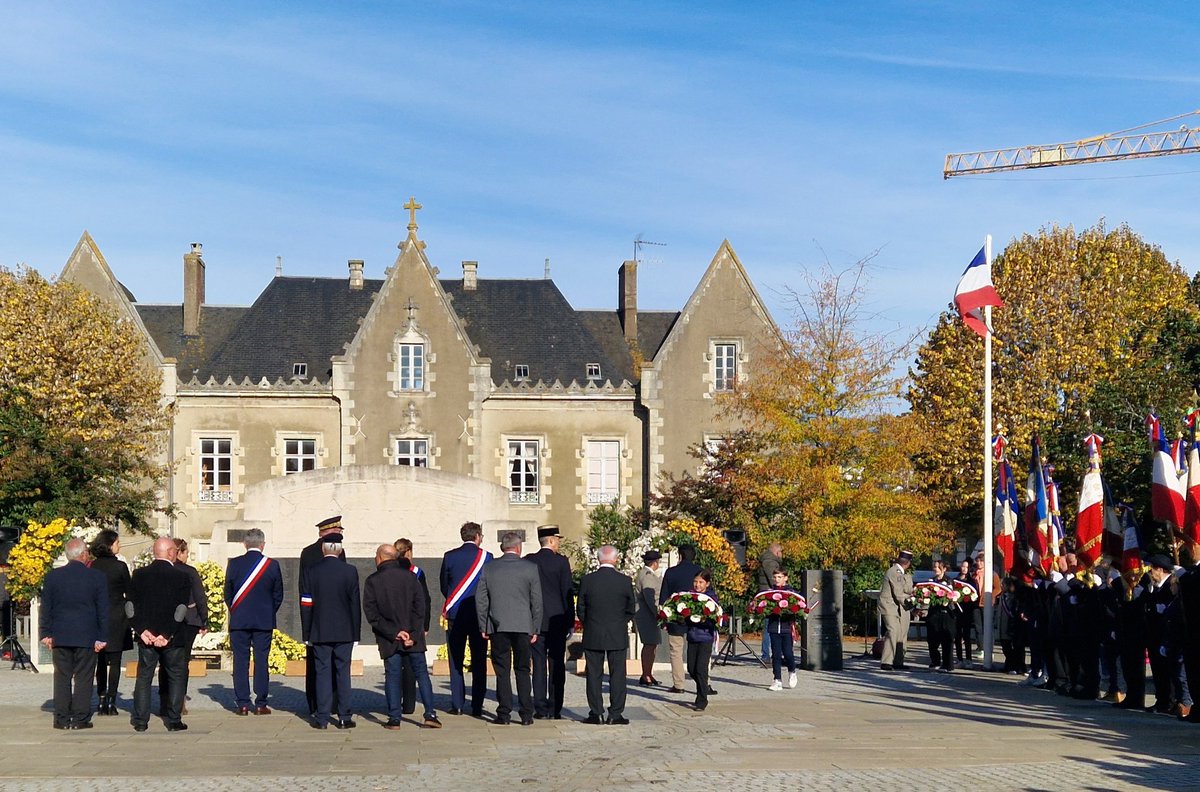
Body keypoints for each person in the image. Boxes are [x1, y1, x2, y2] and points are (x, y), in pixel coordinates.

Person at [363, 543, 442, 730]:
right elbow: (420, 608)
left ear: (381, 557)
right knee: (422, 674)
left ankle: (394, 718)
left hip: (390, 638)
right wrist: (413, 634)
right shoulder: (411, 577)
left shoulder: (373, 581)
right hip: (413, 638)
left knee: (393, 675)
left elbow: (371, 613)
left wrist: (394, 632)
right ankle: (430, 714)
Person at [39, 538, 108, 730]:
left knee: (62, 676)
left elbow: (46, 607)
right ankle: (80, 718)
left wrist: (45, 632)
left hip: (60, 635)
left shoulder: (53, 577)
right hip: (86, 634)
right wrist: (102, 637)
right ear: (83, 554)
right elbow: (103, 610)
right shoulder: (96, 577)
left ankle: (61, 719)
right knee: (84, 677)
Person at [476, 530, 542, 726]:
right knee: (523, 670)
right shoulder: (530, 568)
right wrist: (535, 628)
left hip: (498, 625)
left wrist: (483, 625)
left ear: (502, 548)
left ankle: (504, 714)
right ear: (519, 548)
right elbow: (536, 601)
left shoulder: (489, 568)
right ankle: (526, 714)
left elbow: (481, 600)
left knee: (502, 671)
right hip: (523, 625)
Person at [128, 536, 192, 732]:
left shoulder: (138, 575)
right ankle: (173, 720)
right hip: (172, 637)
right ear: (171, 553)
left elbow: (130, 607)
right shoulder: (181, 576)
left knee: (144, 676)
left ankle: (140, 721)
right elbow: (181, 609)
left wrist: (142, 630)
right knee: (175, 675)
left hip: (146, 636)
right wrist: (167, 634)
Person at [300, 531, 361, 729]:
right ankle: (344, 716)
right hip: (344, 632)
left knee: (322, 673)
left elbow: (306, 603)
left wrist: (307, 632)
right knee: (343, 674)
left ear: (323, 548)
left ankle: (322, 717)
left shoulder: (312, 571)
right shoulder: (350, 571)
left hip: (319, 631)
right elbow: (354, 605)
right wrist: (356, 633)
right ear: (340, 549)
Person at [224, 527, 284, 716]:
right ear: (263, 545)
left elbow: (228, 594)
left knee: (240, 662)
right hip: (263, 621)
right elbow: (278, 595)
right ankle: (260, 703)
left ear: (245, 544)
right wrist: (267, 611)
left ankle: (242, 703)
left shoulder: (234, 564)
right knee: (261, 661)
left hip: (239, 621)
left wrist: (237, 611)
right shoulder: (271, 565)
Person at [577, 544, 636, 724]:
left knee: (593, 675)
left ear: (598, 558)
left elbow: (580, 608)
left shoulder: (588, 580)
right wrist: (620, 622)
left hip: (593, 632)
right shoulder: (624, 581)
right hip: (617, 633)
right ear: (616, 559)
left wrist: (590, 623)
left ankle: (596, 713)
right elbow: (631, 609)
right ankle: (615, 714)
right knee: (617, 675)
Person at [440, 521, 493, 717]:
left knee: (456, 660)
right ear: (478, 536)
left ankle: (458, 704)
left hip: (456, 615)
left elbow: (444, 586)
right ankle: (477, 705)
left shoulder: (450, 556)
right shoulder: (487, 557)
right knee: (479, 660)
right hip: (480, 616)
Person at [525, 524, 574, 719]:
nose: (559, 543)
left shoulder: (529, 561)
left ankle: (540, 707)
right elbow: (566, 593)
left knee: (538, 664)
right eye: (558, 540)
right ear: (551, 540)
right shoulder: (561, 562)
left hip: (535, 621)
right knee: (556, 664)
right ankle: (555, 707)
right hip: (557, 621)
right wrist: (570, 620)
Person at [300, 515, 346, 717]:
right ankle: (334, 704)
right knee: (336, 666)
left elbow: (304, 592)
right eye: (338, 531)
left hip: (315, 619)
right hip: (337, 618)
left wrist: (306, 626)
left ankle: (316, 705)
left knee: (316, 666)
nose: (341, 534)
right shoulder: (335, 551)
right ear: (328, 532)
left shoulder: (307, 553)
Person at [160, 538, 207, 717]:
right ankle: (178, 703)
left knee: (165, 661)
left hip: (165, 620)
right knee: (182, 662)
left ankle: (164, 701)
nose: (188, 556)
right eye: (186, 552)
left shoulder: (164, 570)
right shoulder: (189, 572)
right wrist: (204, 620)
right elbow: (199, 596)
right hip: (188, 621)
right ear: (179, 552)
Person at [88, 529, 132, 716]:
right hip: (116, 616)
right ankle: (112, 701)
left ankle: (101, 698)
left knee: (100, 660)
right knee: (115, 662)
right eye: (117, 542)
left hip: (97, 615)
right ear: (109, 544)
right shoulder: (120, 567)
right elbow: (130, 592)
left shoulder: (92, 566)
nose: (119, 545)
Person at [393, 537, 430, 717]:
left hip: (394, 625)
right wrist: (425, 625)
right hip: (414, 623)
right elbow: (425, 600)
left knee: (394, 666)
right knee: (412, 666)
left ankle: (394, 705)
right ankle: (409, 704)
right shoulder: (416, 572)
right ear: (409, 552)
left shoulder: (388, 571)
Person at [660, 544, 702, 693]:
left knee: (676, 651)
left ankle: (679, 685)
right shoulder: (699, 572)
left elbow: (663, 597)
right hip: (697, 617)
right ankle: (703, 683)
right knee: (699, 651)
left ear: (680, 555)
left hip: (676, 617)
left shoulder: (671, 572)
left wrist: (664, 618)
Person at [1143, 555, 1178, 713]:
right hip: (1154, 636)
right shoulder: (1155, 587)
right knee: (1158, 670)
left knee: (1168, 671)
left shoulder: (1171, 585)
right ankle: (1161, 700)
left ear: (1161, 569)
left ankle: (1170, 701)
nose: (1151, 571)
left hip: (1166, 636)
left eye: (1153, 568)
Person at [686, 569, 720, 711]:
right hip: (692, 636)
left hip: (705, 636)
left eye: (701, 582)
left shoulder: (711, 598)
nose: (697, 585)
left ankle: (701, 699)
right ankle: (703, 687)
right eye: (695, 581)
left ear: (707, 584)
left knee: (700, 668)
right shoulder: (688, 597)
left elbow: (715, 618)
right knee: (691, 668)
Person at [764, 568, 799, 691]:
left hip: (786, 628)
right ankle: (777, 679)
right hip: (774, 627)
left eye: (780, 577)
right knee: (776, 654)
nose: (777, 580)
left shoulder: (791, 593)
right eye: (775, 577)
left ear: (785, 578)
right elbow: (765, 609)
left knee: (788, 653)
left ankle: (792, 671)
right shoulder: (770, 593)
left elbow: (797, 607)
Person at [878, 550, 914, 671]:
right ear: (908, 563)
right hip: (889, 606)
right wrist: (912, 606)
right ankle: (886, 662)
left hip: (901, 608)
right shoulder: (894, 571)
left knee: (902, 633)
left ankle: (898, 661)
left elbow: (908, 590)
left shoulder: (905, 574)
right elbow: (899, 593)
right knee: (893, 631)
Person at [634, 550, 664, 686]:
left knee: (652, 645)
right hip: (647, 615)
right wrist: (657, 614)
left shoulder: (647, 574)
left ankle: (648, 673)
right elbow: (650, 598)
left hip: (648, 615)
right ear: (655, 563)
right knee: (649, 644)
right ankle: (646, 674)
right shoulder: (647, 576)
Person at [925, 560, 955, 673]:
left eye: (938, 567)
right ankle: (935, 661)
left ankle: (947, 664)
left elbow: (952, 596)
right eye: (934, 567)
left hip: (946, 613)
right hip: (933, 613)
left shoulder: (949, 581)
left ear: (944, 569)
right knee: (932, 639)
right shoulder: (931, 582)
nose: (935, 569)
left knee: (946, 639)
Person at [755, 543, 783, 662]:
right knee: (770, 626)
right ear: (777, 552)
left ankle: (769, 654)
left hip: (767, 596)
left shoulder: (766, 560)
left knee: (769, 625)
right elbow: (774, 580)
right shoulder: (770, 562)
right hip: (771, 598)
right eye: (781, 552)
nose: (782, 555)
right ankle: (767, 655)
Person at [955, 559, 976, 664]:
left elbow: (974, 595)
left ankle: (968, 659)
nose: (964, 568)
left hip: (967, 611)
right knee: (957, 636)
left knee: (966, 636)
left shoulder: (971, 581)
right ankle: (959, 658)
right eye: (963, 566)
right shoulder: (956, 579)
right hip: (957, 611)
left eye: (966, 567)